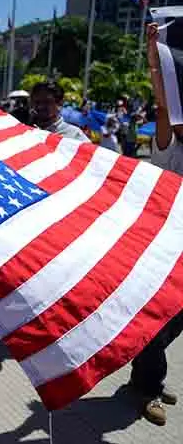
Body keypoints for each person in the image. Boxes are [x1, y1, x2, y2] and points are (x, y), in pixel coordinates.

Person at [0, 81, 91, 353]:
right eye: (37, 102)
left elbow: (88, 174)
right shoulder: (20, 131)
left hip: (56, 222)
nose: (41, 107)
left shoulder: (75, 137)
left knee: (49, 281)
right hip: (18, 217)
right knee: (3, 276)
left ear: (60, 104)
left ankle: (47, 334)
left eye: (47, 102)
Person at [123, 22, 183, 427]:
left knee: (173, 322)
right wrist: (155, 53)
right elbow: (164, 104)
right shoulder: (169, 149)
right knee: (157, 323)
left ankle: (142, 377)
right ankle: (147, 388)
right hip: (165, 251)